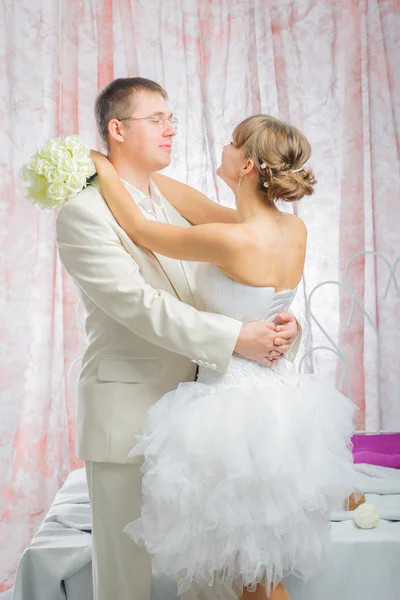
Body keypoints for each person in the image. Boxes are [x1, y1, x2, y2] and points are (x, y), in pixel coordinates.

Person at [90, 113, 356, 600]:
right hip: (280, 403)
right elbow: (199, 205)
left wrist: (100, 167)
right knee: (252, 572)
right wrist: (132, 167)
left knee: (251, 578)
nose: (225, 147)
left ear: (248, 165)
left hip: (232, 412)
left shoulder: (229, 238)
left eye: (233, 144)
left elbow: (140, 228)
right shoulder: (289, 229)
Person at [56, 78, 301, 600]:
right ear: (117, 129)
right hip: (128, 414)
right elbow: (142, 307)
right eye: (157, 119)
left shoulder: (170, 203)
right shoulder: (84, 212)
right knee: (126, 582)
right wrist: (238, 336)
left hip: (204, 422)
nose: (173, 128)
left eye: (173, 118)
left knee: (212, 574)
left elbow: (243, 283)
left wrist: (281, 325)